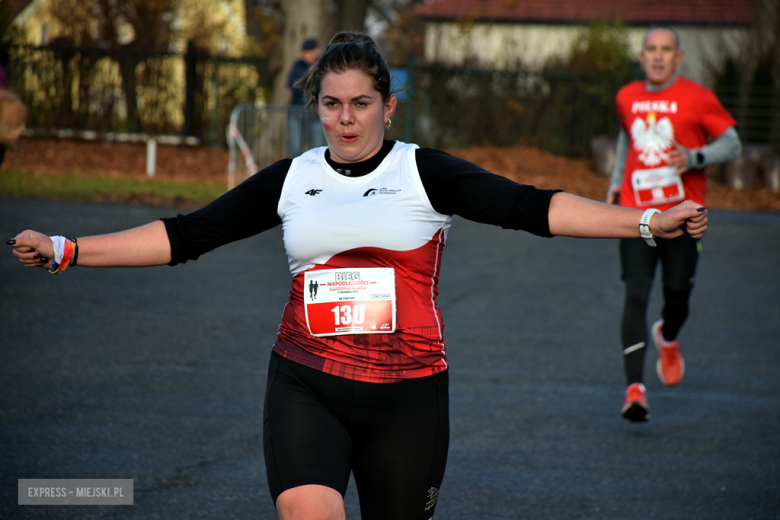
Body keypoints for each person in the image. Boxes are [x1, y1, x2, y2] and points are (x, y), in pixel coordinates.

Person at [8, 32, 709, 520]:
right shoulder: (291, 179)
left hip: (408, 398)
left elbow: (532, 207)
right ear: (316, 107)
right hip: (306, 385)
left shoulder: (423, 173)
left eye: (362, 104)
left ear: (388, 105)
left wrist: (647, 222)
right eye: (332, 105)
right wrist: (71, 248)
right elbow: (188, 234)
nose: (346, 120)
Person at [606, 27, 741, 423]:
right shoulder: (626, 96)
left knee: (678, 296)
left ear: (678, 57)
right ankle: (635, 389)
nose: (658, 56)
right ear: (642, 55)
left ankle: (667, 336)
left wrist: (696, 157)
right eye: (651, 49)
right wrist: (615, 185)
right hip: (637, 214)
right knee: (636, 294)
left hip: (683, 217)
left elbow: (732, 143)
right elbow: (626, 139)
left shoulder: (699, 98)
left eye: (666, 50)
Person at [287, 37, 323, 157]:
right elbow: (291, 83)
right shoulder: (297, 65)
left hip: (315, 114)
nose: (306, 56)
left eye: (309, 52)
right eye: (304, 52)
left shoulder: (322, 65)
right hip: (296, 112)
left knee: (316, 147)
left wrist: (304, 82)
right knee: (295, 148)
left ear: (316, 51)